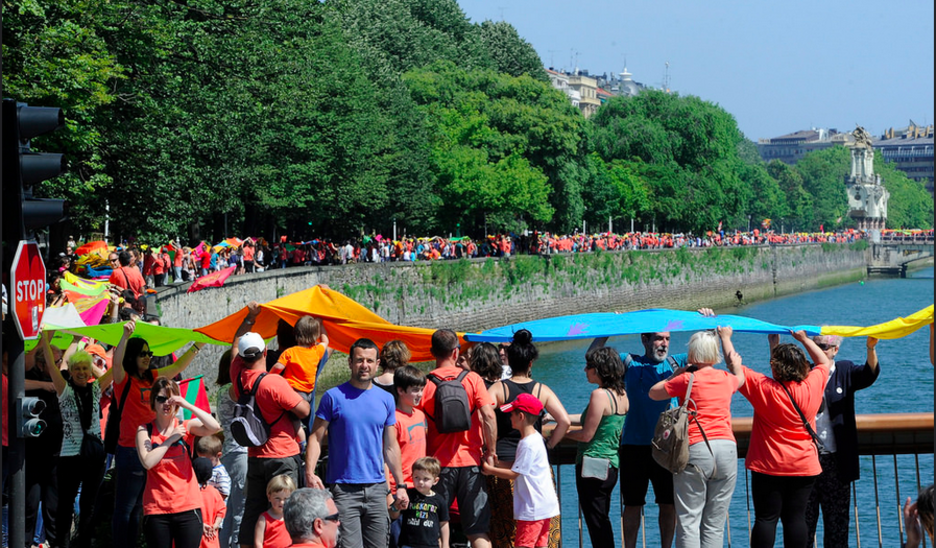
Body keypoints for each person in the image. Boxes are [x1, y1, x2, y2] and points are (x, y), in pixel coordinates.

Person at [726, 330, 830, 548]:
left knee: (766, 518)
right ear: (802, 366)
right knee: (795, 519)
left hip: (768, 465)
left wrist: (725, 336)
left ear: (774, 367)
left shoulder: (763, 388)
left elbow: (733, 364)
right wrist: (803, 339)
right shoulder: (812, 386)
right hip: (803, 465)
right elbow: (823, 362)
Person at [587, 330, 687, 548]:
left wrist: (709, 326)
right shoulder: (628, 362)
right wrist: (608, 328)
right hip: (633, 447)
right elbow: (593, 358)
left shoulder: (676, 362)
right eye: (659, 338)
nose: (664, 344)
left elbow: (707, 357)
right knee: (632, 505)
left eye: (667, 339)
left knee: (668, 504)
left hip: (666, 447)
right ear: (645, 339)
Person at [306, 338, 408, 548]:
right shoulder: (333, 397)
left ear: (377, 363)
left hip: (377, 488)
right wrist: (309, 472)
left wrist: (400, 485)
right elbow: (315, 437)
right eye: (359, 360)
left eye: (369, 361)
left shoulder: (386, 399)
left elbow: (390, 446)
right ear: (350, 362)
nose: (364, 365)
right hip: (344, 490)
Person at [112, 320, 204, 548]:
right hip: (131, 449)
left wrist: (197, 346)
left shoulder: (152, 377)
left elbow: (174, 369)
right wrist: (124, 337)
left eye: (149, 352)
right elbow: (115, 364)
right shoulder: (123, 380)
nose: (147, 356)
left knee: (140, 508)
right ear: (132, 356)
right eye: (142, 353)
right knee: (126, 508)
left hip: (154, 448)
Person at [649, 328, 741, 548]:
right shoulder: (727, 378)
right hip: (727, 449)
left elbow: (653, 392)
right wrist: (727, 341)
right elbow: (741, 378)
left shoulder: (687, 380)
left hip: (697, 448)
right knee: (715, 524)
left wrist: (675, 375)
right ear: (714, 353)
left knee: (689, 520)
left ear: (692, 353)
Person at [232, 310, 311, 548]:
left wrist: (249, 318)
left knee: (253, 509)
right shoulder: (273, 383)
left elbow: (235, 343)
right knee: (288, 509)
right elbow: (303, 411)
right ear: (265, 352)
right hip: (282, 456)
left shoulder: (237, 376)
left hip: (255, 456)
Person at [488, 329, 570, 547]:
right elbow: (564, 421)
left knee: (507, 532)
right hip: (536, 470)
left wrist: (489, 448)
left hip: (503, 465)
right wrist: (549, 444)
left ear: (509, 361)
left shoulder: (499, 388)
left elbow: (482, 414)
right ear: (531, 363)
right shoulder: (541, 390)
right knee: (540, 535)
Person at [420, 329, 497, 548]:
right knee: (477, 531)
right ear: (456, 352)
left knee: (434, 528)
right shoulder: (472, 379)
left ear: (432, 352)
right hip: (471, 462)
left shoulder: (426, 384)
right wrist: (490, 451)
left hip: (436, 466)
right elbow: (489, 415)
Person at [803, 334, 881, 548]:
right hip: (807, 460)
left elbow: (868, 375)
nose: (819, 349)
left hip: (837, 461)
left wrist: (870, 349)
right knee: (803, 525)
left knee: (837, 526)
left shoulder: (844, 370)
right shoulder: (804, 372)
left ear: (835, 350)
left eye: (824, 347)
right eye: (815, 345)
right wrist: (775, 345)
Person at [38, 334, 113, 548]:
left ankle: (83, 543)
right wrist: (45, 339)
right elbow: (52, 368)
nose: (81, 372)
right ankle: (62, 544)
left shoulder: (96, 389)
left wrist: (123, 338)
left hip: (94, 458)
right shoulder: (65, 390)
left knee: (89, 506)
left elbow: (115, 373)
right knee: (65, 505)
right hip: (70, 457)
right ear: (70, 371)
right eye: (77, 368)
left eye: (85, 368)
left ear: (90, 372)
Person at [136, 376, 222, 548]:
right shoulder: (144, 429)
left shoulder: (185, 426)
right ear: (153, 401)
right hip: (157, 509)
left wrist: (187, 405)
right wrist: (170, 439)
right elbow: (147, 462)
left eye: (170, 399)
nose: (166, 404)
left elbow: (215, 426)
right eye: (161, 399)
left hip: (188, 508)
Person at [563, 347, 628, 548]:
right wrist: (560, 418)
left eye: (589, 366)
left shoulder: (599, 395)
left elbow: (586, 434)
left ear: (599, 369)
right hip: (611, 465)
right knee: (601, 517)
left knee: (596, 522)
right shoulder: (621, 394)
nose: (585, 370)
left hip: (592, 463)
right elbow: (593, 420)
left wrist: (561, 434)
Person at [481, 394, 560, 548]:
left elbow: (515, 474)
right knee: (540, 545)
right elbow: (520, 465)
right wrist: (499, 464)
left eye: (512, 414)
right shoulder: (536, 438)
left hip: (532, 508)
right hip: (545, 505)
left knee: (524, 544)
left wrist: (490, 470)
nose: (509, 417)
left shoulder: (527, 443)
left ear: (521, 416)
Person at [215, 348, 248, 548]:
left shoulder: (221, 390)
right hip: (239, 453)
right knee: (239, 510)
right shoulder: (231, 389)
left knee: (229, 509)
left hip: (230, 452)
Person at [389, 457, 449, 548]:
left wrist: (445, 544)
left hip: (430, 545)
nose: (420, 482)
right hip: (408, 544)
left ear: (435, 481)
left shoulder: (439, 500)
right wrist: (396, 507)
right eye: (417, 477)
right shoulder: (407, 495)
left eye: (425, 479)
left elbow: (443, 523)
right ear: (412, 476)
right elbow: (394, 516)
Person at [254, 475, 297, 548]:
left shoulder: (291, 518)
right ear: (269, 497)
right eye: (277, 498)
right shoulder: (264, 519)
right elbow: (258, 542)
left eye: (286, 499)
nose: (282, 502)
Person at [194, 456, 227, 548]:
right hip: (211, 535)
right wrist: (215, 525)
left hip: (196, 534)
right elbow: (222, 510)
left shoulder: (191, 493)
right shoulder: (214, 492)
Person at [196, 435, 232, 500]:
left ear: (218, 455)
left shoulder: (220, 473)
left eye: (207, 460)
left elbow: (223, 494)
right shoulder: (202, 469)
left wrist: (209, 500)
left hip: (214, 507)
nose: (203, 463)